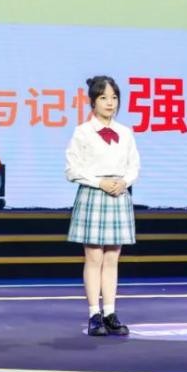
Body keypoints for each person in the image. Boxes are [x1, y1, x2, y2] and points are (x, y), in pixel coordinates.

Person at [65, 75, 139, 336]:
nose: (110, 103)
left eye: (114, 97)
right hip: (94, 194)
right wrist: (100, 182)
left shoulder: (125, 132)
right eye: (104, 97)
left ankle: (110, 312)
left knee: (112, 258)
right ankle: (94, 314)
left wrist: (124, 181)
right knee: (94, 257)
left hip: (118, 195)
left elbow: (134, 166)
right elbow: (72, 169)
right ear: (93, 102)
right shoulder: (83, 132)